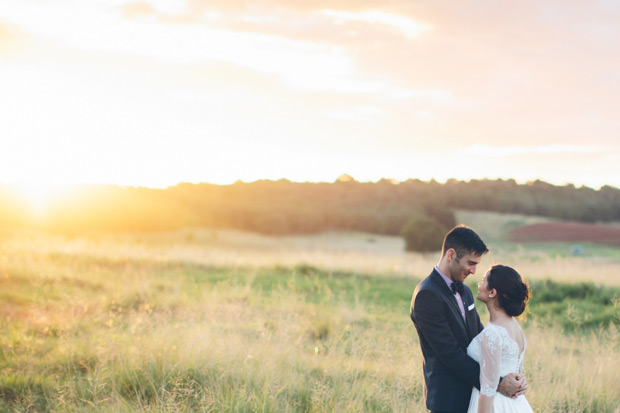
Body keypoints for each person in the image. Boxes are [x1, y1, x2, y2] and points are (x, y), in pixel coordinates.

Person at [410, 225, 527, 413]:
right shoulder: (427, 295)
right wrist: (497, 383)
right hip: (450, 400)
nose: (473, 271)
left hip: (476, 395)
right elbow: (450, 353)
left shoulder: (464, 291)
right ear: (450, 255)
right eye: (471, 263)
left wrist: (512, 374)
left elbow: (479, 335)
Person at [466, 265, 533, 413]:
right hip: (516, 404)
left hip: (495, 406)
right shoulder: (516, 328)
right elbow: (518, 373)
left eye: (483, 281)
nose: (479, 284)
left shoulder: (492, 333)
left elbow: (488, 391)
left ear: (492, 292)